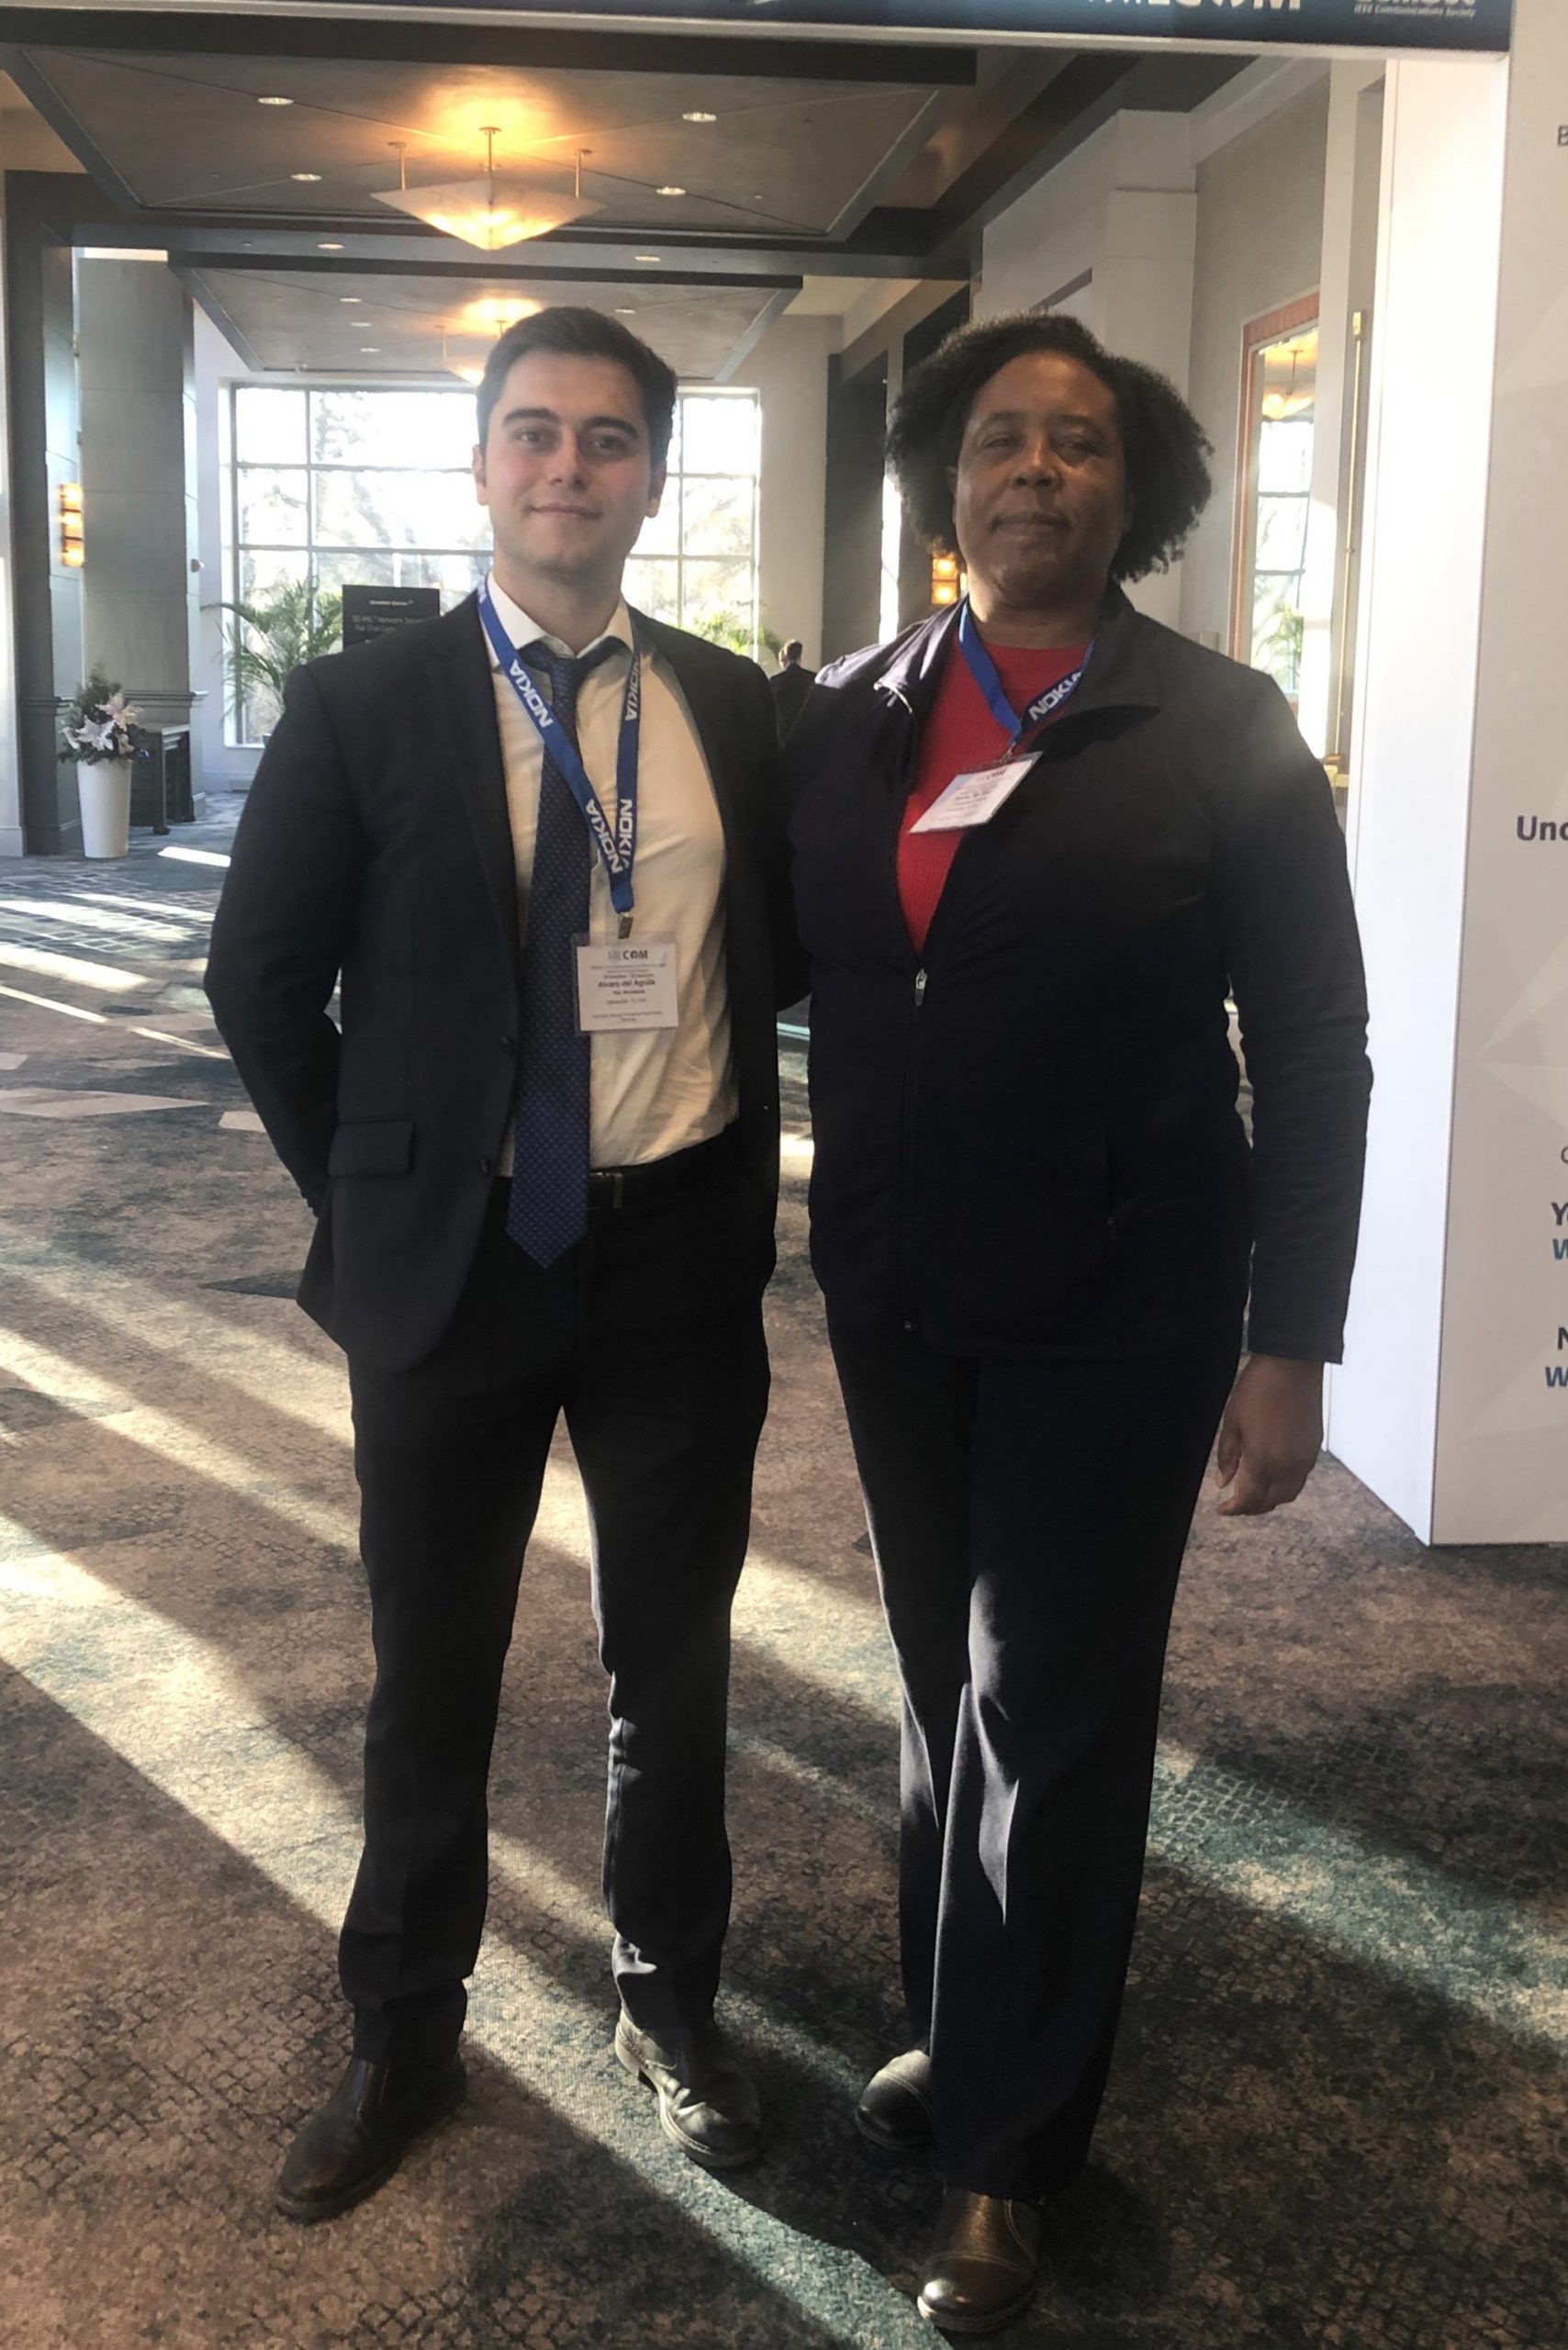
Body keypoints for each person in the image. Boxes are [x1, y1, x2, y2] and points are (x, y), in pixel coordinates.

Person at [786, 312, 1371, 2334]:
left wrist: (1291, 1334)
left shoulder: (1221, 724)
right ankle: (964, 2026)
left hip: (1119, 1299)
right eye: (999, 438)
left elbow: (1312, 1041)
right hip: (895, 1288)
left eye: (1081, 443)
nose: (1035, 467)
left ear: (1142, 493)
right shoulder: (847, 713)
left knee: (1049, 1700)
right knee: (936, 1686)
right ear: (943, 483)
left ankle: (1005, 2158)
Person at [206, 307, 799, 2222]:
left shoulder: (727, 707)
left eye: (607, 438)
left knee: (673, 1663)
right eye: (533, 432)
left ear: (651, 478)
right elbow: (259, 977)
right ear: (479, 466)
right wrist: (379, 1187)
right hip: (452, 1263)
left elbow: (767, 960)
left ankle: (668, 1994)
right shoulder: (361, 702)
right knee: (431, 1665)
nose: (567, 467)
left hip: (670, 1261)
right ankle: (403, 2026)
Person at [767, 636, 816, 743]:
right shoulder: (813, 679)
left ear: (786, 656)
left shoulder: (775, 681)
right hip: (805, 731)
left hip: (783, 732)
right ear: (800, 656)